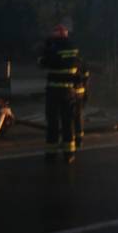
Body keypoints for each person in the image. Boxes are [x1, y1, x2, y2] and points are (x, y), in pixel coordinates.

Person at [38, 24, 84, 164]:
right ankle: (69, 154)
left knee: (52, 122)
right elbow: (79, 65)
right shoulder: (74, 47)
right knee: (67, 122)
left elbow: (43, 63)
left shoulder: (53, 48)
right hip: (69, 91)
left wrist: (44, 51)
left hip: (54, 91)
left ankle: (51, 154)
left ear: (56, 35)